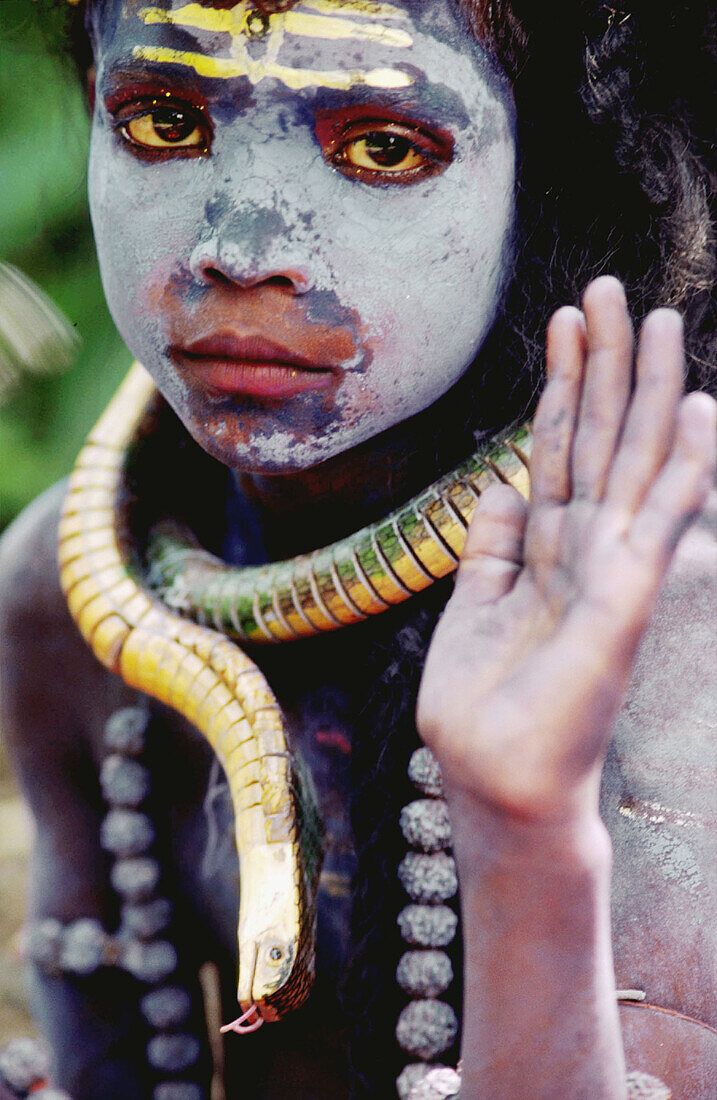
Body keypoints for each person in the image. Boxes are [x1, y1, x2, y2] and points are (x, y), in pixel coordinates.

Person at [0, 1, 714, 1097]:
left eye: (383, 146)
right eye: (162, 120)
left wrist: (525, 833)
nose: (239, 247)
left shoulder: (679, 622)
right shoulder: (70, 587)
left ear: (554, 167)